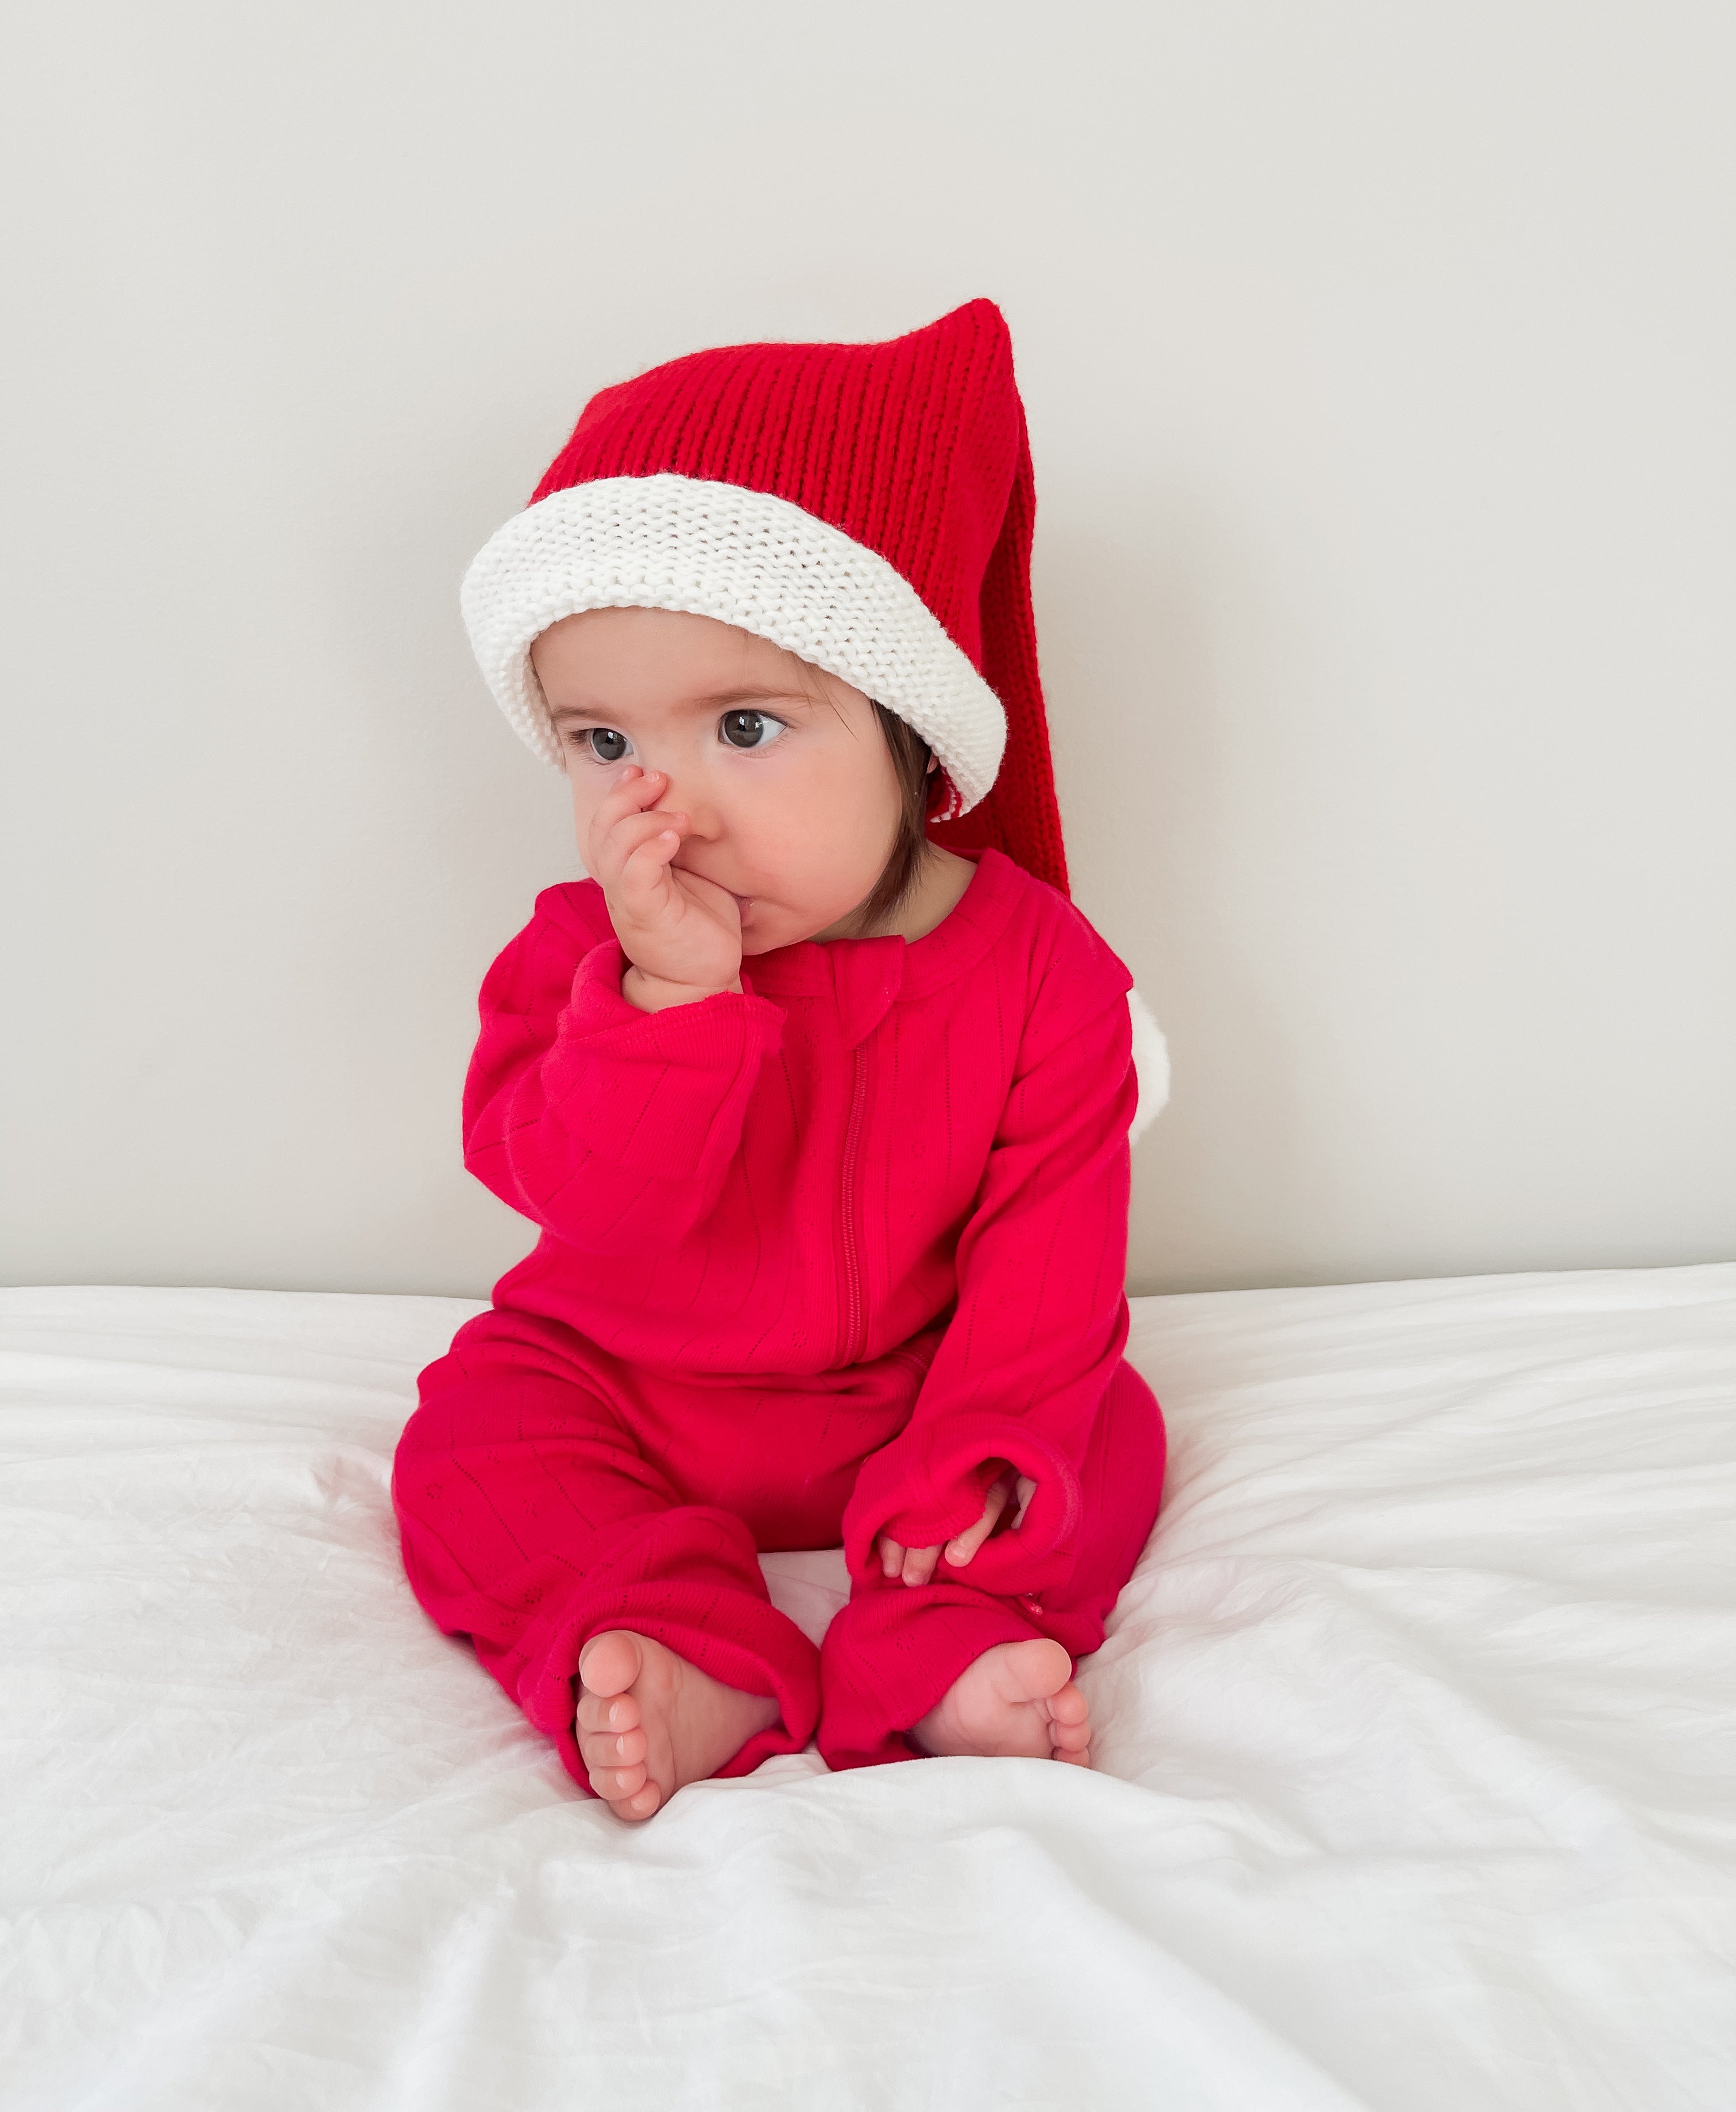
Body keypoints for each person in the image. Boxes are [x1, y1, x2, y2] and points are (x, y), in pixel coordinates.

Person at [393, 299, 1170, 1821]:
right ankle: (690, 1646)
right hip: (626, 1386)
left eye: (745, 724)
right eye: (603, 745)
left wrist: (989, 1445)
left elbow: (1049, 1269)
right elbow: (580, 1204)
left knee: (1101, 1432)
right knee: (468, 1442)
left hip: (909, 1398)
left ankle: (939, 1648)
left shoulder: (1043, 973)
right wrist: (668, 1001)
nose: (664, 809)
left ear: (913, 737)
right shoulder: (583, 953)